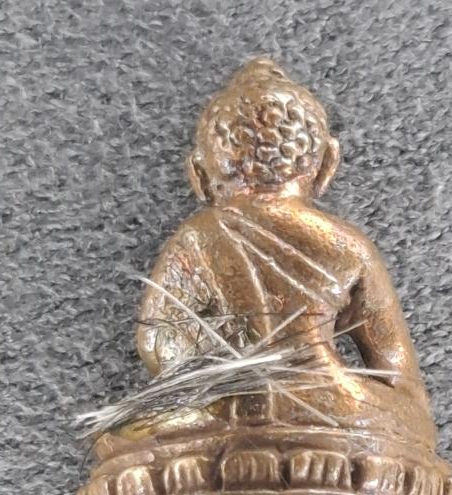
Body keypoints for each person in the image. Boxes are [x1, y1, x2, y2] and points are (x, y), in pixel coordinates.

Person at [137, 58, 435, 449]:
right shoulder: (348, 246)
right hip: (335, 409)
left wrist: (220, 373)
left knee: (133, 435)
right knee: (406, 425)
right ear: (327, 164)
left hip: (221, 413)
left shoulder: (196, 237)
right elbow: (398, 371)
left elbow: (156, 344)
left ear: (198, 174)